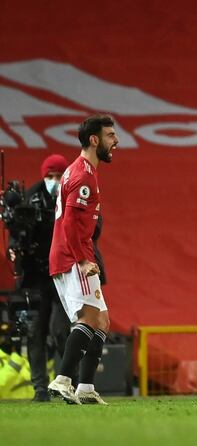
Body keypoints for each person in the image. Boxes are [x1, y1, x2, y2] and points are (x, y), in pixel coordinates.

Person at [46, 114, 118, 405]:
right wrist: (82, 260)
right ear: (94, 139)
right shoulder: (83, 175)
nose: (116, 141)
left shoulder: (81, 169)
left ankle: (85, 388)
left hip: (74, 254)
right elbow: (70, 223)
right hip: (73, 257)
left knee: (102, 320)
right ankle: (63, 380)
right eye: (110, 135)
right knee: (88, 318)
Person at [6, 154, 71, 402]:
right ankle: (40, 389)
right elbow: (17, 232)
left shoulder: (73, 196)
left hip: (63, 274)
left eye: (58, 175)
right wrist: (14, 247)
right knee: (35, 333)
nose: (54, 180)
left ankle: (70, 383)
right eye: (50, 176)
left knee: (60, 331)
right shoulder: (30, 198)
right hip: (35, 276)